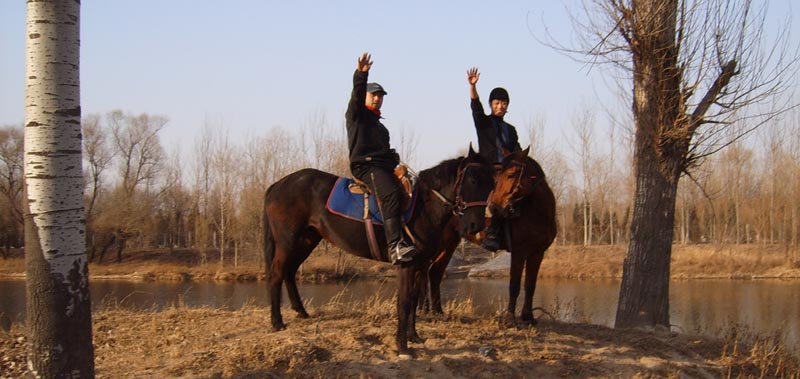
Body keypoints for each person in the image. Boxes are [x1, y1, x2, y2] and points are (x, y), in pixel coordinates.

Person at [346, 52, 415, 265]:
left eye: (380, 96)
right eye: (373, 95)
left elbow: (384, 155)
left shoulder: (381, 128)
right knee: (392, 194)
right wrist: (361, 75)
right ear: (366, 96)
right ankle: (395, 246)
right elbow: (356, 97)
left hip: (381, 167)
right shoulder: (357, 116)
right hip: (365, 167)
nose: (377, 98)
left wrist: (394, 160)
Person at [467, 67, 522, 252]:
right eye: (497, 103)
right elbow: (475, 108)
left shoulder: (511, 130)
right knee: (498, 200)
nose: (500, 106)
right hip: (488, 172)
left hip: (507, 174)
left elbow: (517, 152)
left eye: (504, 103)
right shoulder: (484, 123)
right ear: (491, 104)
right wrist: (473, 87)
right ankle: (491, 234)